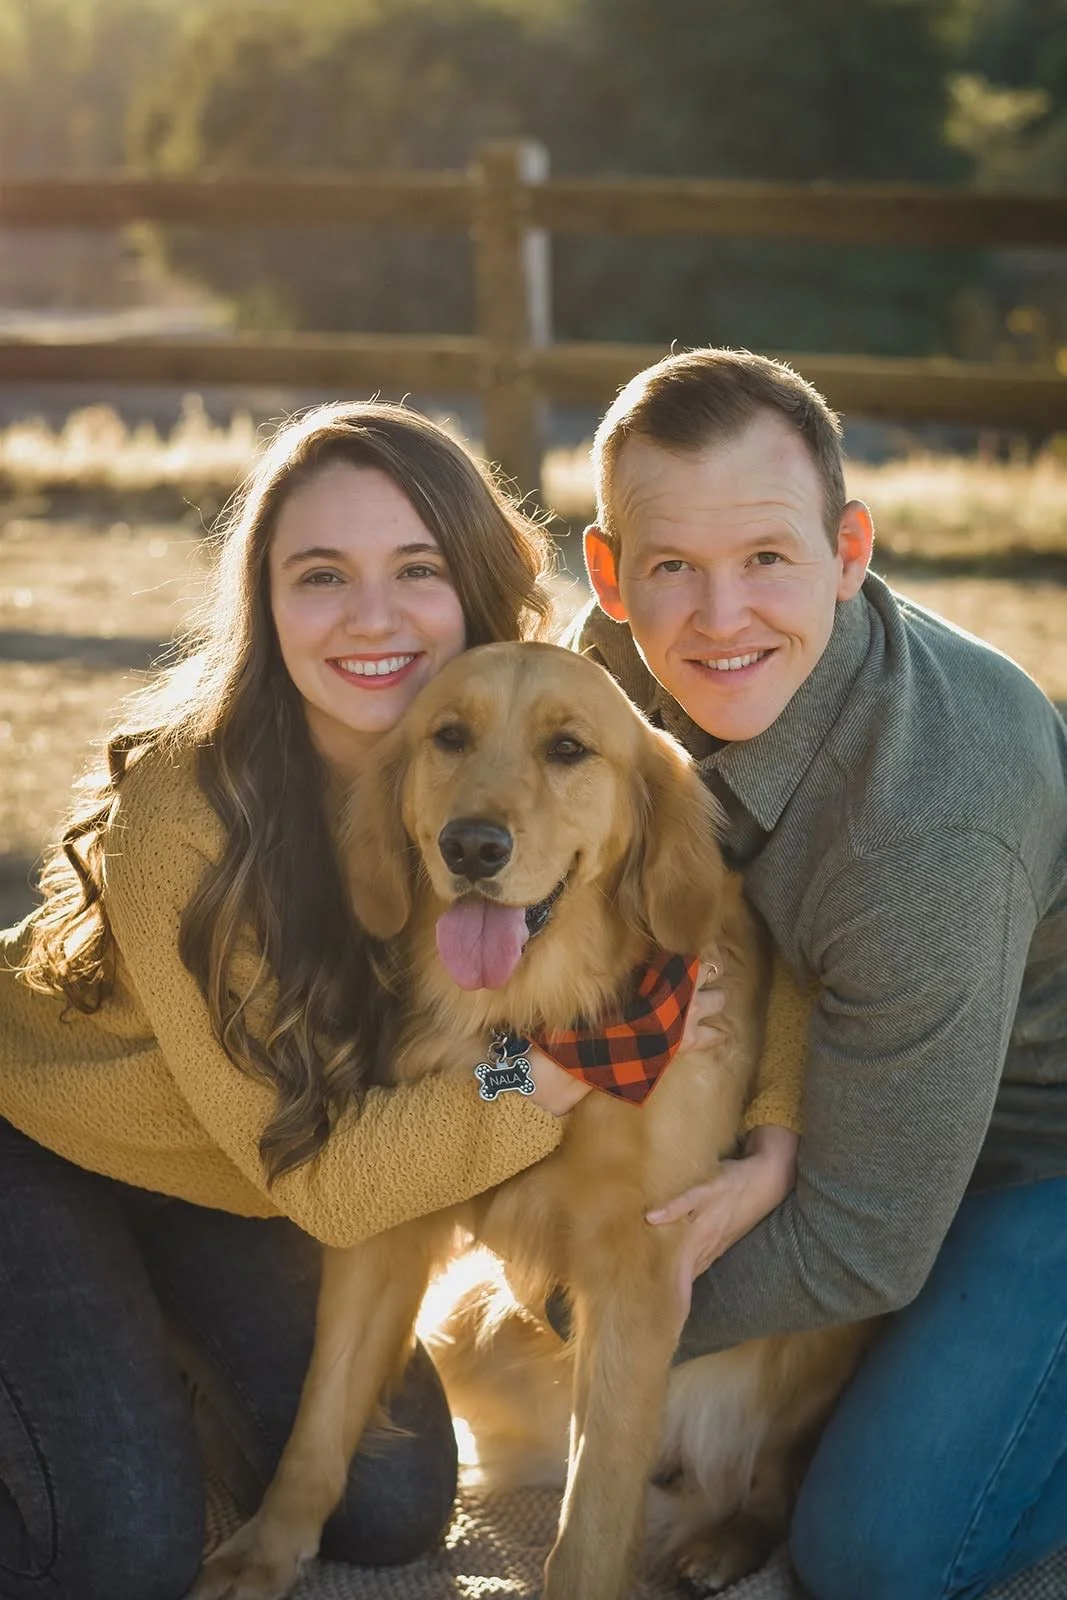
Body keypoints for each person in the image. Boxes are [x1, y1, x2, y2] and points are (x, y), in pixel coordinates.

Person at [0, 400, 600, 1600]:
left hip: (231, 1180)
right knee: (114, 1545)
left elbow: (706, 892)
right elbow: (331, 1181)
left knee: (387, 1507)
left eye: (416, 570)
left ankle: (138, 1354)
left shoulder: (538, 746)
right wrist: (534, 1075)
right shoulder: (187, 810)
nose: (371, 618)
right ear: (265, 605)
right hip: (46, 1145)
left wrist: (779, 1113)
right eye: (319, 574)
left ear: (478, 586)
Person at [572, 347, 1067, 1600]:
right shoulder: (610, 671)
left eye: (766, 560)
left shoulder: (928, 822)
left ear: (849, 552)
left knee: (874, 1552)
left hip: (1031, 1156)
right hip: (829, 1082)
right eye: (669, 566)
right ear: (608, 575)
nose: (718, 614)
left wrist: (590, 1310)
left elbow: (861, 1243)